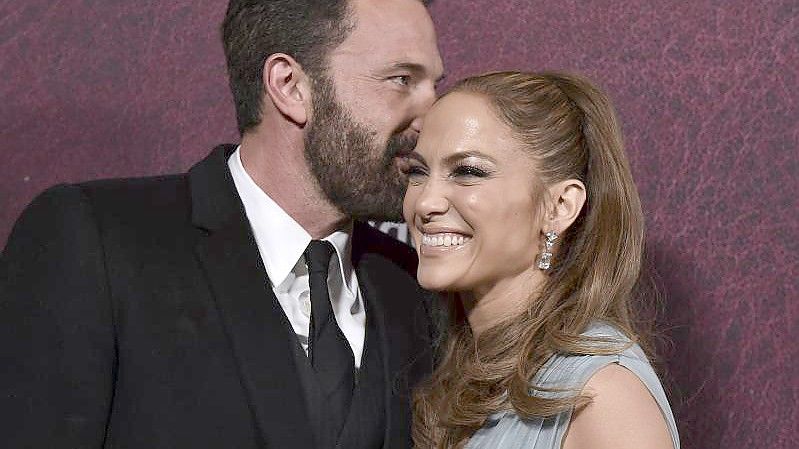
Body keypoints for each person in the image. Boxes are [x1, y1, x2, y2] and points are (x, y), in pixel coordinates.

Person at [0, 0, 444, 448]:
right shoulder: (96, 241)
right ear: (290, 86)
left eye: (434, 86)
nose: (435, 118)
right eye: (401, 80)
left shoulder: (414, 283)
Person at [403, 71, 680, 449]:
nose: (424, 202)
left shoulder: (602, 396)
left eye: (468, 172)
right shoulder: (459, 373)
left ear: (560, 206)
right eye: (418, 172)